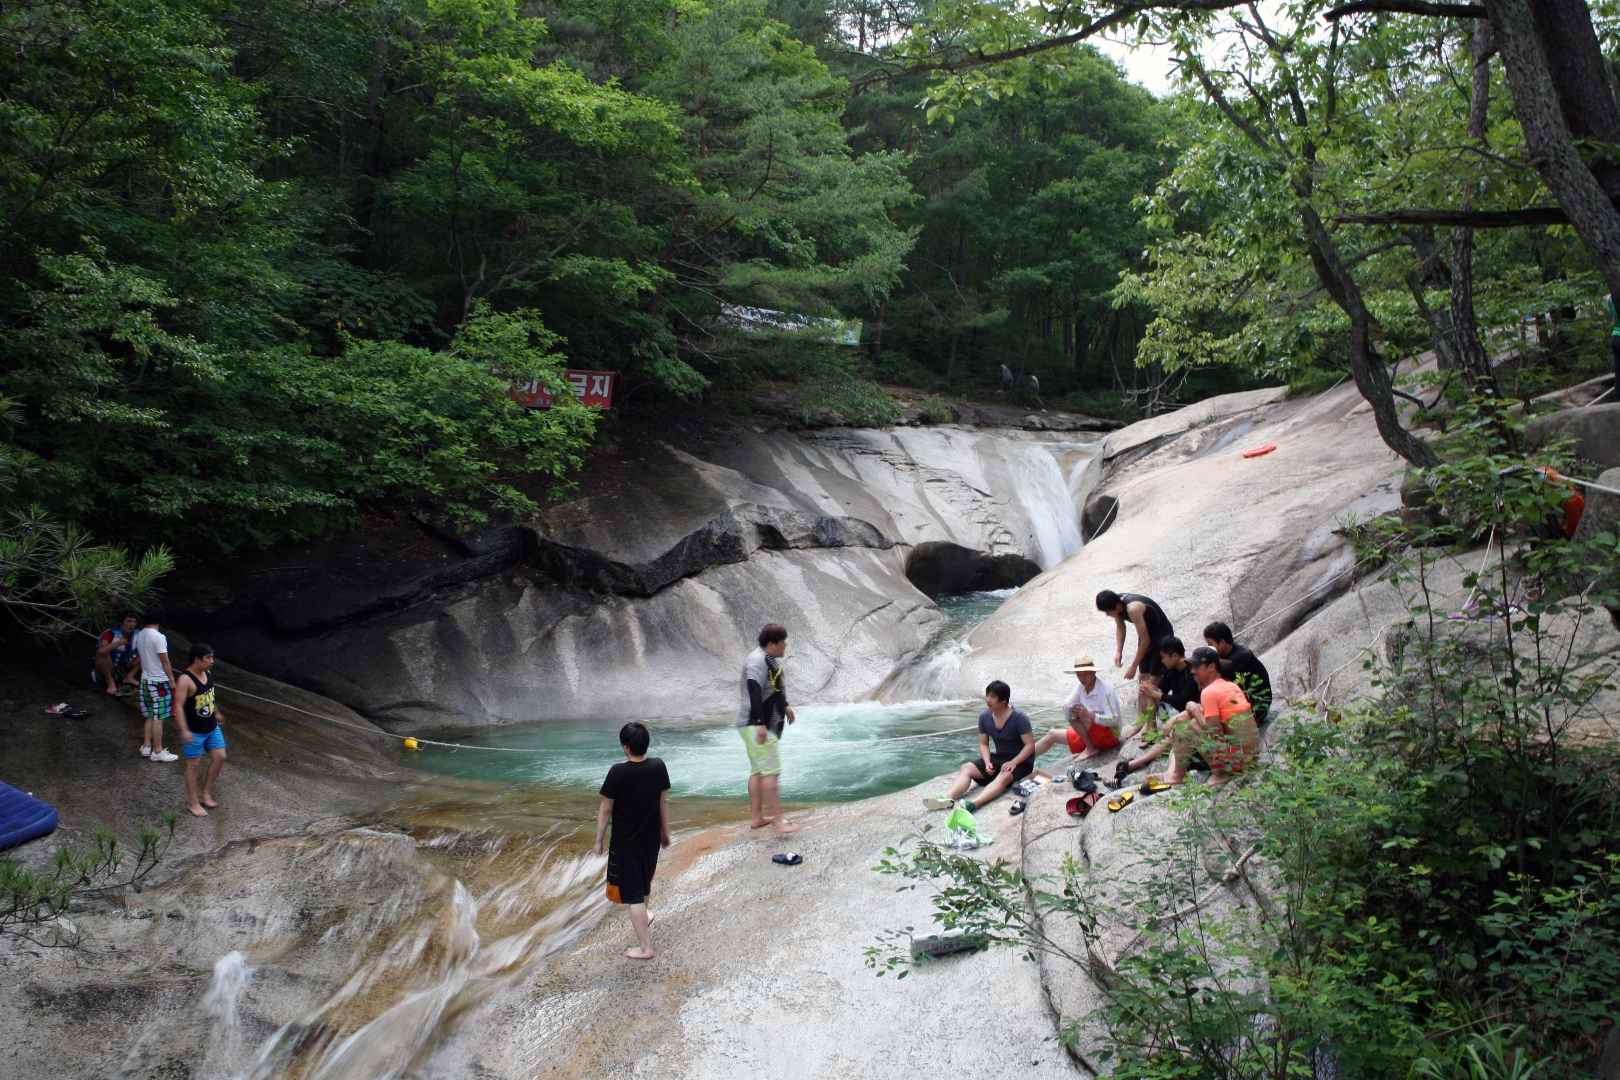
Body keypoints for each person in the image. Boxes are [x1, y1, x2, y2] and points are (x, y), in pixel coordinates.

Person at [594, 721, 671, 961]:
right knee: (644, 883)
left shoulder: (618, 772)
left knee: (634, 894)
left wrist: (598, 840)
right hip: (651, 837)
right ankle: (645, 915)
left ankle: (645, 948)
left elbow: (606, 809)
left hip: (626, 842)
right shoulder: (658, 766)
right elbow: (662, 802)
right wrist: (665, 832)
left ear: (625, 747)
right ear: (646, 744)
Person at [1152, 646, 1259, 788]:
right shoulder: (1230, 686)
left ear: (1212, 667)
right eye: (1192, 667)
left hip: (1238, 761)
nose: (1192, 671)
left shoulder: (1209, 692)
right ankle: (1175, 774)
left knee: (1188, 727)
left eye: (1196, 666)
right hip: (1251, 757)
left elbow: (1215, 735)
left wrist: (1194, 711)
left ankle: (1217, 774)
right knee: (1190, 720)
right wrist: (1191, 710)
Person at [925, 681, 1035, 812]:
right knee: (967, 768)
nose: (988, 700)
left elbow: (1030, 746)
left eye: (993, 697)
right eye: (987, 695)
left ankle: (974, 804)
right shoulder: (984, 717)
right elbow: (983, 744)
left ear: (1004, 700)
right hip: (999, 758)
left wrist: (1013, 762)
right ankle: (947, 800)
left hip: (1020, 763)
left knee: (1004, 775)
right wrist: (987, 762)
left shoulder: (1019, 718)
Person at [738, 623, 798, 836]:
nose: (785, 646)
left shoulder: (766, 658)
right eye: (783, 642)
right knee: (771, 772)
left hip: (756, 723)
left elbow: (771, 687)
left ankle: (757, 818)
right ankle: (779, 822)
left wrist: (785, 705)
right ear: (773, 643)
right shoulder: (757, 660)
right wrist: (760, 723)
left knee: (758, 771)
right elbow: (754, 689)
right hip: (758, 724)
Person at [1115, 637, 1200, 778]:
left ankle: (1134, 764)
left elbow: (1183, 700)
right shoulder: (1171, 670)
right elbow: (1162, 690)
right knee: (1150, 691)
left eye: (1164, 657)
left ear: (1174, 655)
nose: (1162, 661)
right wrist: (1149, 689)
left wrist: (1156, 694)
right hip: (1181, 713)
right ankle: (1150, 728)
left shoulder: (1191, 672)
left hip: (1192, 713)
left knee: (1173, 739)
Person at [1033, 656, 1123, 762]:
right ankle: (1021, 760)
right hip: (1090, 733)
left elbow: (1114, 720)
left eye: (1085, 674)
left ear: (1093, 673)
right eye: (1079, 675)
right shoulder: (1080, 687)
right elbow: (1067, 705)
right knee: (1052, 734)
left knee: (1083, 715)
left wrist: (1090, 715)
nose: (1082, 678)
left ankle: (1090, 749)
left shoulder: (1106, 690)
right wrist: (1074, 714)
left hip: (1111, 735)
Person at [172, 642, 225, 818]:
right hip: (194, 731)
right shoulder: (185, 680)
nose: (212, 661)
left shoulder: (207, 673)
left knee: (220, 757)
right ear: (197, 660)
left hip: (211, 727)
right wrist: (184, 730)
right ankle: (193, 803)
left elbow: (210, 696)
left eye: (212, 657)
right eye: (208, 658)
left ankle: (206, 793)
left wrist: (216, 712)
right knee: (193, 766)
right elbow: (178, 707)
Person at [1096, 589, 1175, 680]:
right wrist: (1119, 651)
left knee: (1154, 676)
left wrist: (1133, 667)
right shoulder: (1115, 603)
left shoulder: (1133, 609)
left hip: (1162, 635)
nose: (1107, 614)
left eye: (1108, 612)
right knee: (1143, 675)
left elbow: (1146, 640)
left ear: (1117, 606)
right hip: (1146, 632)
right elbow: (1120, 627)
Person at [1203, 621, 1273, 723]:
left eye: (1210, 644)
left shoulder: (1242, 656)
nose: (1209, 648)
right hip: (1243, 704)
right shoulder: (1225, 654)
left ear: (1222, 643)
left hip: (1257, 707)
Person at [132, 610, 178, 763]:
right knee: (159, 716)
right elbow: (165, 661)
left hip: (145, 679)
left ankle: (146, 746)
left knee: (151, 714)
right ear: (159, 621)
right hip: (158, 681)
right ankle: (157, 751)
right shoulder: (159, 637)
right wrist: (171, 679)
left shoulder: (140, 634)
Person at [92, 612, 142, 696]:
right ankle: (110, 682)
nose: (132, 624)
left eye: (134, 622)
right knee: (103, 653)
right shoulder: (110, 633)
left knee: (150, 651)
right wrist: (118, 643)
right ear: (122, 622)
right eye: (129, 621)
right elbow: (101, 651)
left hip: (125, 665)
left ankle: (129, 677)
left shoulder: (138, 634)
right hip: (109, 665)